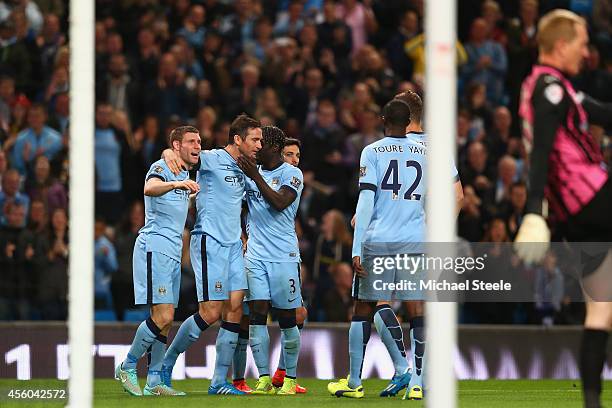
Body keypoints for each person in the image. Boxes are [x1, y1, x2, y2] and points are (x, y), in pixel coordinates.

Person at [328, 92, 462, 400]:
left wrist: (357, 246)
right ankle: (416, 383)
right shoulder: (428, 151)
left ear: (384, 121)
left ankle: (354, 382)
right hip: (415, 239)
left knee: (363, 307)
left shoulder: (372, 151)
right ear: (412, 121)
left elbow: (365, 201)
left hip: (378, 239)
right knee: (417, 309)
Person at [513, 10, 612, 408]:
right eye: (582, 43)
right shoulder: (551, 89)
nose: (587, 52)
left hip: (575, 218)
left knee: (601, 312)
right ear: (560, 45)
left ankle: (591, 403)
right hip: (593, 198)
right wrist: (533, 210)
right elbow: (540, 155)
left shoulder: (550, 88)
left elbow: (601, 112)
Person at [160, 114, 262, 396]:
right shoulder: (213, 158)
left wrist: (242, 233)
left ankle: (219, 382)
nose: (259, 145)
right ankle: (166, 364)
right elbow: (184, 154)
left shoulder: (247, 168)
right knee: (211, 311)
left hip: (233, 246)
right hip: (209, 242)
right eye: (255, 139)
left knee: (235, 310)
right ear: (238, 139)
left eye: (261, 140)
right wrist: (168, 151)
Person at [115, 126, 201, 397]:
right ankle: (127, 365)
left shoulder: (186, 171)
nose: (198, 145)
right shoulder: (162, 165)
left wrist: (187, 193)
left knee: (166, 319)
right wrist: (175, 184)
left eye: (200, 141)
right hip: (155, 247)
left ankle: (154, 381)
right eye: (192, 141)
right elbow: (149, 187)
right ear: (177, 145)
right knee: (162, 315)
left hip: (173, 251)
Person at [231, 137, 309, 394]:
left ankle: (289, 379)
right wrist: (242, 233)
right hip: (255, 256)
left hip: (284, 257)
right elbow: (237, 206)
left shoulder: (292, 173)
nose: (255, 148)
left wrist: (254, 175)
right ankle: (264, 377)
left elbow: (279, 202)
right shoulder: (254, 172)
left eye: (260, 144)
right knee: (256, 316)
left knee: (288, 318)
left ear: (273, 148)